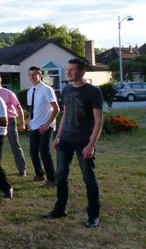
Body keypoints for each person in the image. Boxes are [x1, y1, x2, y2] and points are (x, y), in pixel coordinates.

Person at [45, 59, 103, 228]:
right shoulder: (67, 90)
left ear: (82, 72)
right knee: (61, 176)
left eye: (71, 70)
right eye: (67, 69)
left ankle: (93, 216)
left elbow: (99, 121)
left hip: (83, 142)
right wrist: (57, 137)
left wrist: (91, 145)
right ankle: (60, 209)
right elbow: (65, 115)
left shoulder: (93, 92)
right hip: (65, 141)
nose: (68, 72)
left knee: (89, 179)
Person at [0, 73, 28, 177]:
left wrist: (22, 122)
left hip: (10, 122)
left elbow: (18, 107)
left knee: (15, 146)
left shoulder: (8, 93)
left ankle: (22, 169)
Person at [26, 66, 60, 185]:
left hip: (46, 125)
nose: (32, 77)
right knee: (33, 151)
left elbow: (56, 109)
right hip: (35, 125)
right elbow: (33, 109)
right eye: (30, 75)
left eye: (35, 74)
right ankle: (39, 174)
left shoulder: (47, 89)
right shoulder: (30, 91)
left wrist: (47, 124)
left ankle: (52, 179)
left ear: (40, 76)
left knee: (44, 151)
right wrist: (29, 121)